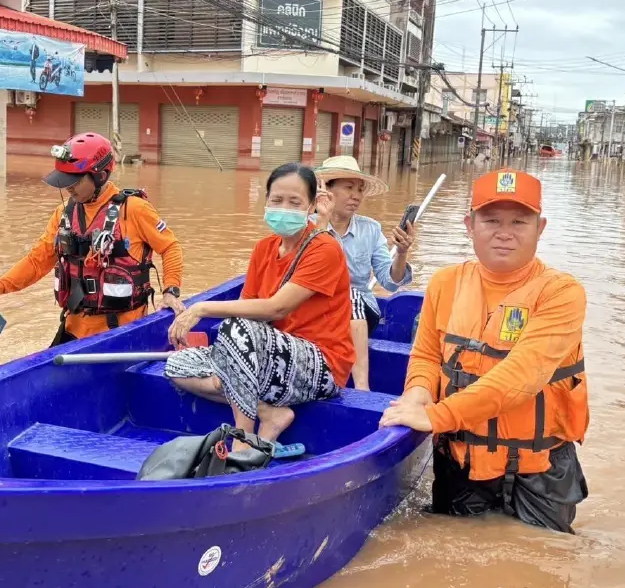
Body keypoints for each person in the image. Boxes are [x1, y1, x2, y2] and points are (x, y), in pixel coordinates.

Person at [379, 168, 590, 534]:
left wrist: (436, 417)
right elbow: (427, 355)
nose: (504, 232)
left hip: (539, 472)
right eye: (491, 219)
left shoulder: (562, 292)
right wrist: (416, 397)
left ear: (540, 229)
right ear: (469, 225)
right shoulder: (446, 283)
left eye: (519, 221)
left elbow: (522, 378)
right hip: (460, 465)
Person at [164, 163, 354, 448]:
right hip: (267, 357)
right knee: (177, 365)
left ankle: (243, 442)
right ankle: (269, 414)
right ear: (265, 201)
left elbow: (276, 309)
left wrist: (202, 308)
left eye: (295, 202)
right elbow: (248, 306)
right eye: (276, 200)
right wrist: (229, 365)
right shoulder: (264, 248)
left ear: (312, 205)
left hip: (320, 365)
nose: (283, 207)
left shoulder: (324, 248)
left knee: (236, 328)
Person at [0, 132, 185, 346]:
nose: (68, 187)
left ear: (100, 176)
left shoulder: (134, 209)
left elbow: (170, 247)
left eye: (74, 181)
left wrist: (170, 291)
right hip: (73, 330)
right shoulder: (63, 214)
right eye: (64, 180)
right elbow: (36, 261)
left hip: (121, 334)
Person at [311, 155, 415, 391]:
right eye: (348, 188)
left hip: (360, 310)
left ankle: (362, 388)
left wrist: (401, 252)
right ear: (325, 190)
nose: (356, 196)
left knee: (349, 294)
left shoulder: (370, 229)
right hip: (315, 308)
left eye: (359, 189)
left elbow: (390, 282)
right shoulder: (307, 226)